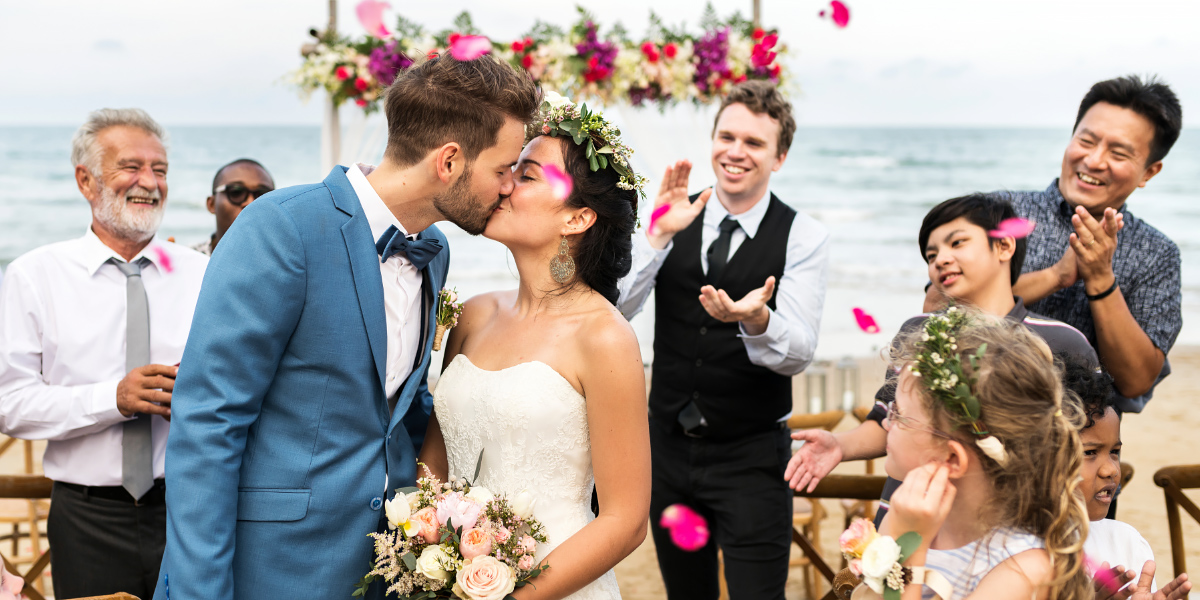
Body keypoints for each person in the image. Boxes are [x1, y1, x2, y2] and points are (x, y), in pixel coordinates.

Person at [154, 55, 541, 600]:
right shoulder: (282, 227)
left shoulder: (434, 253)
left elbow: (396, 411)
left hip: (385, 569)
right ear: (449, 161)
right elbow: (207, 426)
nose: (507, 188)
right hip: (270, 568)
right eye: (503, 169)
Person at [419, 91, 650, 600]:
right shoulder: (475, 315)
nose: (504, 185)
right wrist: (425, 561)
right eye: (511, 169)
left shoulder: (605, 338)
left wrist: (510, 595)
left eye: (526, 176)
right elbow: (433, 467)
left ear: (577, 218)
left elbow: (626, 521)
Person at [616, 80, 829, 599]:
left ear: (779, 157)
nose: (736, 152)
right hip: (667, 452)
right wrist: (659, 234)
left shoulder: (804, 235)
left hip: (751, 458)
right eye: (727, 136)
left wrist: (757, 321)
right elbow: (615, 310)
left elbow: (798, 352)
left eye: (754, 143)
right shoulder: (672, 211)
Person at [786, 194, 1097, 526]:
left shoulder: (1062, 342)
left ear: (1004, 247)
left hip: (1009, 530)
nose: (940, 260)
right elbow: (886, 422)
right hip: (906, 525)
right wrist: (838, 446)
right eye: (931, 255)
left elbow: (1085, 447)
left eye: (957, 243)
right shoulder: (917, 332)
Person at [0, 108, 207, 599]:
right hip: (84, 518)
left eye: (160, 170)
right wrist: (113, 399)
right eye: (130, 166)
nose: (149, 182)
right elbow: (9, 403)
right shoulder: (34, 276)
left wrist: (198, 400)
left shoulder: (203, 275)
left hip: (189, 508)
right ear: (85, 180)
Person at [935, 75, 1183, 413]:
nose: (1094, 160)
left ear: (1148, 173)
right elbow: (936, 307)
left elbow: (1136, 381)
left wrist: (1100, 279)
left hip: (1079, 449)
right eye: (1087, 140)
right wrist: (1057, 276)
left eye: (1119, 152)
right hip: (969, 423)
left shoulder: (1157, 254)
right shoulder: (999, 212)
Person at [880, 311, 1091, 600]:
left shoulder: (1023, 570)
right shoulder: (904, 517)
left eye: (899, 415)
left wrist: (908, 550)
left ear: (953, 459)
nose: (885, 422)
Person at [1061, 360, 1192, 600]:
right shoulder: (1014, 553)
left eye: (1115, 452)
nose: (1111, 470)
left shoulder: (1126, 542)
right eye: (1090, 453)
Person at [192, 158, 275, 255]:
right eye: (236, 192)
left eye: (262, 195)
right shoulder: (188, 261)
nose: (250, 203)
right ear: (212, 204)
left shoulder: (289, 265)